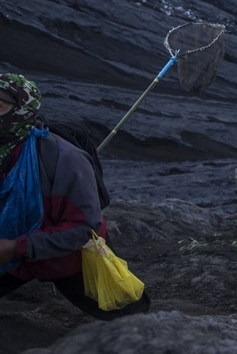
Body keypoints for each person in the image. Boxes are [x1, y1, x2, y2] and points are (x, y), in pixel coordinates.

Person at [0, 73, 150, 319]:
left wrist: (17, 247)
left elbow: (83, 226)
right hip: (10, 258)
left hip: (66, 257)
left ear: (22, 111)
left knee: (130, 317)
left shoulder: (64, 159)